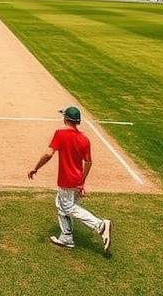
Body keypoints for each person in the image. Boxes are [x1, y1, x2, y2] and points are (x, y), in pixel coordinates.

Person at [28, 106, 112, 252]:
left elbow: (48, 154)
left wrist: (36, 168)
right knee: (61, 205)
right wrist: (82, 182)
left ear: (66, 118)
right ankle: (66, 238)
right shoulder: (85, 139)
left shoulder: (60, 134)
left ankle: (100, 225)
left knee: (67, 207)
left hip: (66, 180)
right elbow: (88, 162)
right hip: (77, 180)